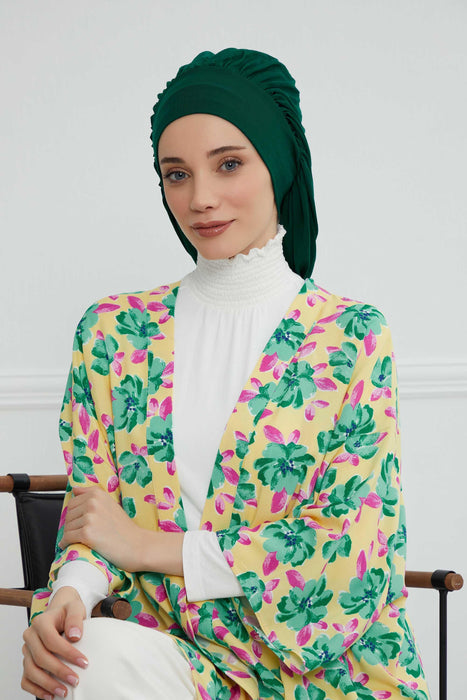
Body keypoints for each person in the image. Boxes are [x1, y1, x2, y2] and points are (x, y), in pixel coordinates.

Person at [21, 48, 430, 700]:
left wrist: (147, 547)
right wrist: (70, 593)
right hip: (181, 660)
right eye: (176, 174)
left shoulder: (350, 335)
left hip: (327, 674)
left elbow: (349, 548)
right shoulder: (113, 334)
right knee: (90, 654)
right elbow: (95, 520)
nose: (201, 198)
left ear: (279, 165)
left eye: (229, 164)